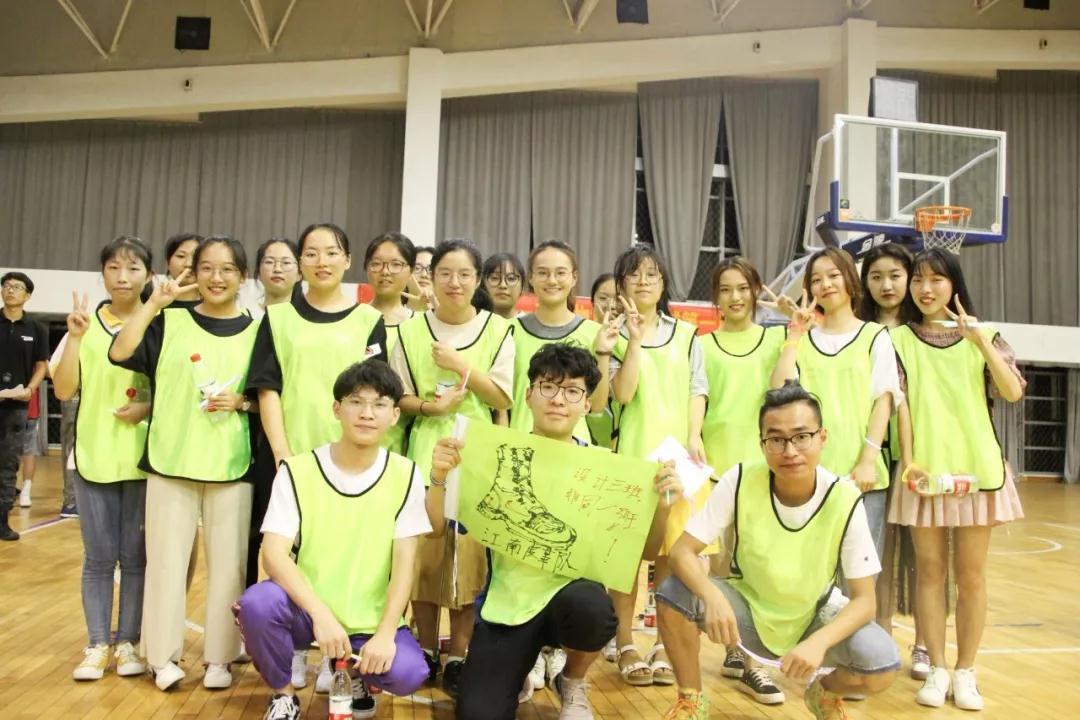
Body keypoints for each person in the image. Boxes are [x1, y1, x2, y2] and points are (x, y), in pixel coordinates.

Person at [430, 343, 682, 720]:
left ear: (587, 403)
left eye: (572, 391)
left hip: (572, 602)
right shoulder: (496, 454)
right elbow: (436, 527)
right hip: (507, 606)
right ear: (528, 395)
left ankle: (572, 680)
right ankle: (520, 669)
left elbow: (645, 553)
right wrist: (438, 477)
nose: (559, 400)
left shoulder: (606, 468)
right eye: (547, 386)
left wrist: (662, 507)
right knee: (478, 713)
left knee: (594, 611)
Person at [657, 381, 900, 720]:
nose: (789, 450)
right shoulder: (739, 480)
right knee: (673, 592)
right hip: (747, 610)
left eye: (802, 436)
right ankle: (691, 700)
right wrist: (711, 596)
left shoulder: (844, 498)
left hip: (814, 616)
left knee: (882, 664)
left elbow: (865, 601)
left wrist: (819, 642)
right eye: (776, 439)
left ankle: (825, 693)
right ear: (762, 443)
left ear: (822, 437)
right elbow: (682, 552)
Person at [236, 360, 430, 720]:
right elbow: (273, 554)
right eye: (356, 402)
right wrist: (320, 613)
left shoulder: (407, 474)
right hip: (306, 611)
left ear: (394, 415)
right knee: (258, 604)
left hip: (368, 618)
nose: (367, 413)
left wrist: (386, 633)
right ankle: (284, 695)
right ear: (337, 409)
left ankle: (354, 675)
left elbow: (406, 564)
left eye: (379, 404)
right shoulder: (297, 470)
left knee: (409, 673)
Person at [109, 235, 259, 691]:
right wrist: (153, 304)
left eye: (227, 269)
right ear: (193, 273)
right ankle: (162, 658)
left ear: (242, 276)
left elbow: (268, 395)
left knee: (229, 567)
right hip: (170, 460)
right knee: (165, 565)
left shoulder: (259, 329)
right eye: (207, 268)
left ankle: (220, 658)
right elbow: (120, 352)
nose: (217, 277)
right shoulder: (168, 320)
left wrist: (242, 402)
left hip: (232, 464)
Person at [891, 248, 1025, 712]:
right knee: (930, 573)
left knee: (971, 577)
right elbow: (901, 407)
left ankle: (966, 671)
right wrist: (910, 461)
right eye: (918, 280)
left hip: (977, 471)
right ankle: (938, 668)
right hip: (926, 475)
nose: (925, 289)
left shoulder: (986, 334)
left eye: (936, 279)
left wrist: (980, 341)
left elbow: (1012, 392)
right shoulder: (898, 340)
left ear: (954, 284)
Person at [389, 239, 515, 696]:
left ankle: (459, 653)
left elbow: (503, 397)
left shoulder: (499, 331)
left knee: (469, 556)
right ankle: (426, 647)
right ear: (430, 277)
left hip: (477, 454)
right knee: (425, 552)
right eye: (445, 273)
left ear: (477, 279)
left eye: (464, 274)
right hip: (425, 449)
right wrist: (430, 406)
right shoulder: (408, 332)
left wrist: (463, 367)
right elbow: (398, 398)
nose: (454, 282)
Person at [606, 244, 710, 687]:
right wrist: (632, 339)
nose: (643, 281)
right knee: (626, 559)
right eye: (634, 274)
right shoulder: (612, 334)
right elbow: (622, 393)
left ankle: (666, 646)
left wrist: (694, 436)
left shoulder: (686, 334)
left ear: (664, 282)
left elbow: (697, 388)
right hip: (632, 456)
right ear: (621, 284)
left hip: (678, 458)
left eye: (652, 274)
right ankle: (625, 643)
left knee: (671, 556)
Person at [50, 236, 154, 681]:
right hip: (93, 456)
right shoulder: (84, 323)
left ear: (149, 274)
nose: (123, 277)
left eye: (133, 268)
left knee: (135, 558)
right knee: (98, 558)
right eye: (114, 268)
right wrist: (75, 339)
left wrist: (147, 407)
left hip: (145, 460)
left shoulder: (158, 322)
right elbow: (63, 390)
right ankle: (97, 643)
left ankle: (128, 643)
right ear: (103, 273)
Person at [770, 248, 901, 572]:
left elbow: (883, 402)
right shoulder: (803, 340)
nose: (825, 284)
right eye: (816, 280)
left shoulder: (875, 336)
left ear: (850, 280)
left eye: (833, 275)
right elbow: (778, 391)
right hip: (811, 476)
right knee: (811, 576)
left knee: (859, 578)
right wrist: (794, 334)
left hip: (862, 479)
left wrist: (868, 460)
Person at [699, 257, 785, 704]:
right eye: (725, 289)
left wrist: (795, 336)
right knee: (721, 568)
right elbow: (698, 400)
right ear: (715, 297)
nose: (734, 297)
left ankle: (755, 660)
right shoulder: (703, 345)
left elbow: (782, 392)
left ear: (755, 291)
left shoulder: (776, 339)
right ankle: (736, 648)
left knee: (755, 567)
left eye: (742, 288)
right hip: (716, 470)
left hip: (762, 470)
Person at [857, 243, 930, 675]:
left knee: (924, 557)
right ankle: (879, 635)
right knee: (875, 555)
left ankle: (924, 643)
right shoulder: (861, 332)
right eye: (876, 276)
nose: (886, 285)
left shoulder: (926, 331)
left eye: (895, 275)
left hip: (923, 457)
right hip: (875, 458)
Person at [509, 242, 620, 443]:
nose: (552, 280)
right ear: (531, 278)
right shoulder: (509, 330)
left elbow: (596, 406)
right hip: (521, 445)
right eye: (543, 273)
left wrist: (603, 353)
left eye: (560, 273)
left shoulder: (596, 333)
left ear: (574, 277)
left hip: (574, 448)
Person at [246, 239, 301, 589]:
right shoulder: (245, 320)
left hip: (288, 438)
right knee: (252, 534)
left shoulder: (305, 324)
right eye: (269, 261)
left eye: (286, 262)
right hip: (247, 443)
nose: (277, 268)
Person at [0, 270, 49, 541]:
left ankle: (2, 521)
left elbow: (41, 365)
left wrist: (30, 389)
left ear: (27, 295)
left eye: (17, 287)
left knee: (8, 465)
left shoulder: (36, 329)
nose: (10, 290)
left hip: (16, 408)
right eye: (6, 286)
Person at [364, 232, 418, 456]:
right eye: (377, 264)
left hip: (407, 441)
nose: (385, 271)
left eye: (396, 264)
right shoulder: (352, 319)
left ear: (411, 271)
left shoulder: (421, 326)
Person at [584, 273, 619, 450]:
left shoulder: (633, 341)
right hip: (587, 428)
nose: (611, 305)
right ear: (592, 302)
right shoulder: (582, 336)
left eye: (617, 298)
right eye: (603, 298)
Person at [16, 386, 42, 508]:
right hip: (28, 405)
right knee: (29, 450)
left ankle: (24, 491)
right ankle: (24, 492)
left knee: (28, 449)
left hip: (24, 406)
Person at [162, 232, 204, 309]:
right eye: (181, 256)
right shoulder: (153, 306)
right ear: (168, 263)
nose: (189, 264)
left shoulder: (216, 307)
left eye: (195, 257)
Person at [481, 252, 525, 320]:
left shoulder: (531, 325)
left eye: (511, 279)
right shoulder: (473, 323)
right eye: (495, 278)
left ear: (522, 287)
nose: (503, 285)